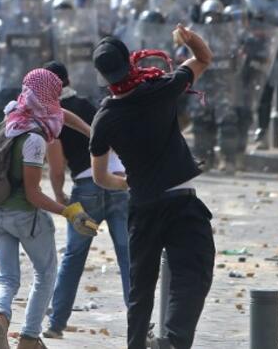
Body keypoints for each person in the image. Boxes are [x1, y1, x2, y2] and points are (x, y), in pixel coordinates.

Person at [89, 28, 215, 349]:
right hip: (182, 202)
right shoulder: (162, 88)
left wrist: (128, 182)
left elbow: (100, 177)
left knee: (141, 290)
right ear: (130, 64)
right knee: (193, 273)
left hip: (143, 207)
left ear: (104, 77)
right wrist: (187, 37)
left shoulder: (105, 118)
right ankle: (172, 342)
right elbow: (204, 58)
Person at [0, 68, 97, 349]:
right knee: (45, 274)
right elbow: (34, 194)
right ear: (47, 95)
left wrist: (90, 131)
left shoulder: (13, 116)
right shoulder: (34, 139)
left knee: (7, 277)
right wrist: (69, 212)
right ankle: (29, 337)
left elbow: (61, 114)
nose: (57, 101)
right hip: (25, 216)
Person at [42, 61, 131, 340]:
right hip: (117, 184)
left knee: (75, 256)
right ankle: (139, 320)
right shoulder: (90, 105)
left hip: (87, 190)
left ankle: (56, 323)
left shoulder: (52, 115)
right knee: (127, 255)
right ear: (67, 80)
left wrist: (59, 196)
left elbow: (56, 167)